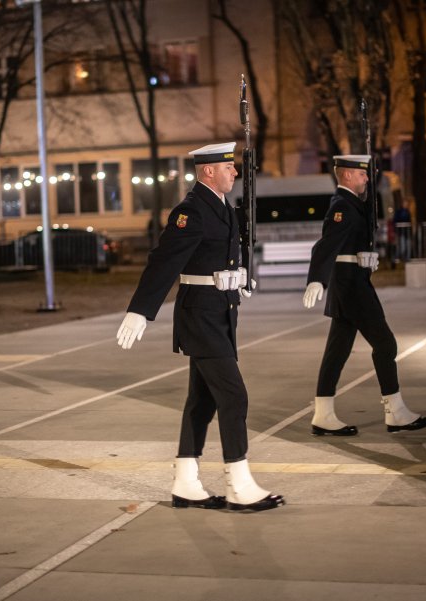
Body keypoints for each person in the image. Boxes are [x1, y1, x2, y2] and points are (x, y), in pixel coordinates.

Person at [116, 142, 284, 513]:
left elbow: (224, 254)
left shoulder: (222, 208)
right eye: (228, 167)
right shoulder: (191, 211)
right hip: (201, 316)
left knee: (202, 401)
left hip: (221, 311)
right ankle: (239, 485)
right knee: (234, 396)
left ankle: (186, 482)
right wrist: (140, 310)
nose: (234, 172)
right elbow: (164, 261)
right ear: (208, 171)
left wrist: (240, 276)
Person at [303, 155, 426, 437]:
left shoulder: (352, 204)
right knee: (386, 344)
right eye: (361, 175)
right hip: (351, 288)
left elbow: (350, 243)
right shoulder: (342, 206)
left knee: (337, 352)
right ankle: (395, 411)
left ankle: (323, 414)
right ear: (347, 175)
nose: (365, 179)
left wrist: (366, 256)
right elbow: (325, 246)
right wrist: (316, 279)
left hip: (351, 282)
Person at [392, 197, 412, 264]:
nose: (406, 204)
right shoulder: (399, 212)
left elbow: (409, 222)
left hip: (407, 232)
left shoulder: (407, 212)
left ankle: (407, 260)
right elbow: (395, 221)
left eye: (407, 203)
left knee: (408, 246)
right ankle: (394, 259)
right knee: (402, 247)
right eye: (405, 203)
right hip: (401, 232)